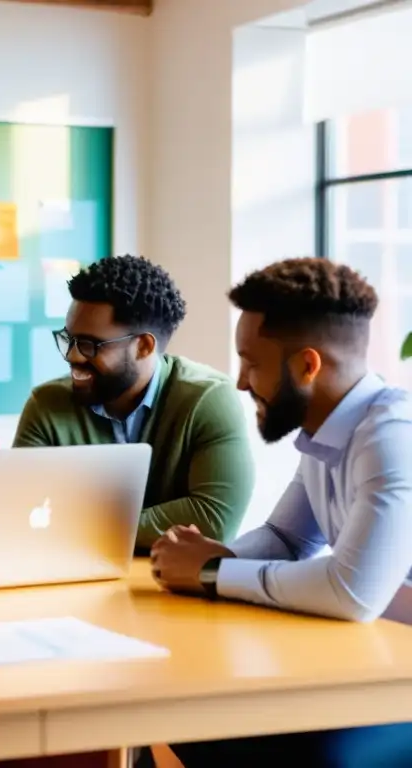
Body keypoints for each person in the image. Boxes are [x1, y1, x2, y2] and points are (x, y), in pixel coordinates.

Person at [148, 258, 412, 767]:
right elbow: (287, 538)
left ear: (307, 366)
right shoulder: (324, 432)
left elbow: (352, 593)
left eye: (251, 362)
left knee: (232, 728)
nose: (242, 383)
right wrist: (210, 556)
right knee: (187, 713)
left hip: (398, 683)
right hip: (381, 657)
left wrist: (211, 571)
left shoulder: (390, 438)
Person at [13, 254, 253, 550]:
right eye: (69, 339)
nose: (73, 356)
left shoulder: (208, 400)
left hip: (174, 589)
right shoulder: (47, 405)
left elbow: (213, 519)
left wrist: (76, 524)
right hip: (73, 584)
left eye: (89, 345)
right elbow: (22, 513)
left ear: (143, 346)